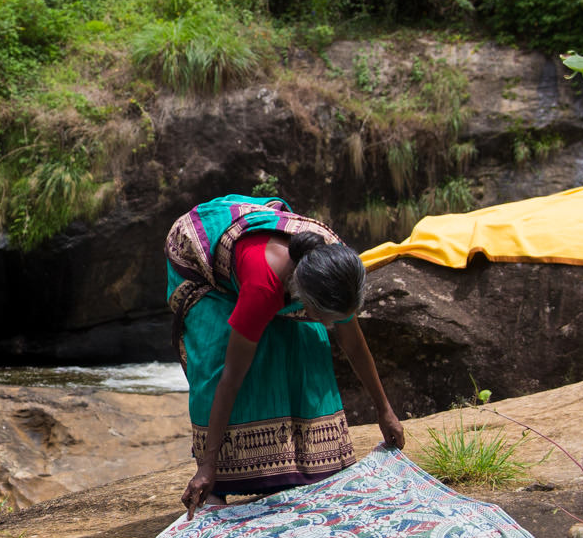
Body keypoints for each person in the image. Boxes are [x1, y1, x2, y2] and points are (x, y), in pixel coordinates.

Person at [165, 193, 405, 512]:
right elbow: (230, 377)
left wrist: (384, 410)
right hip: (200, 253)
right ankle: (220, 482)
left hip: (264, 246)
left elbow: (354, 344)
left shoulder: (334, 269)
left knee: (310, 340)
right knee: (219, 346)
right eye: (327, 315)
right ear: (302, 296)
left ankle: (306, 463)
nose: (334, 324)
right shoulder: (263, 288)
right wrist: (208, 467)